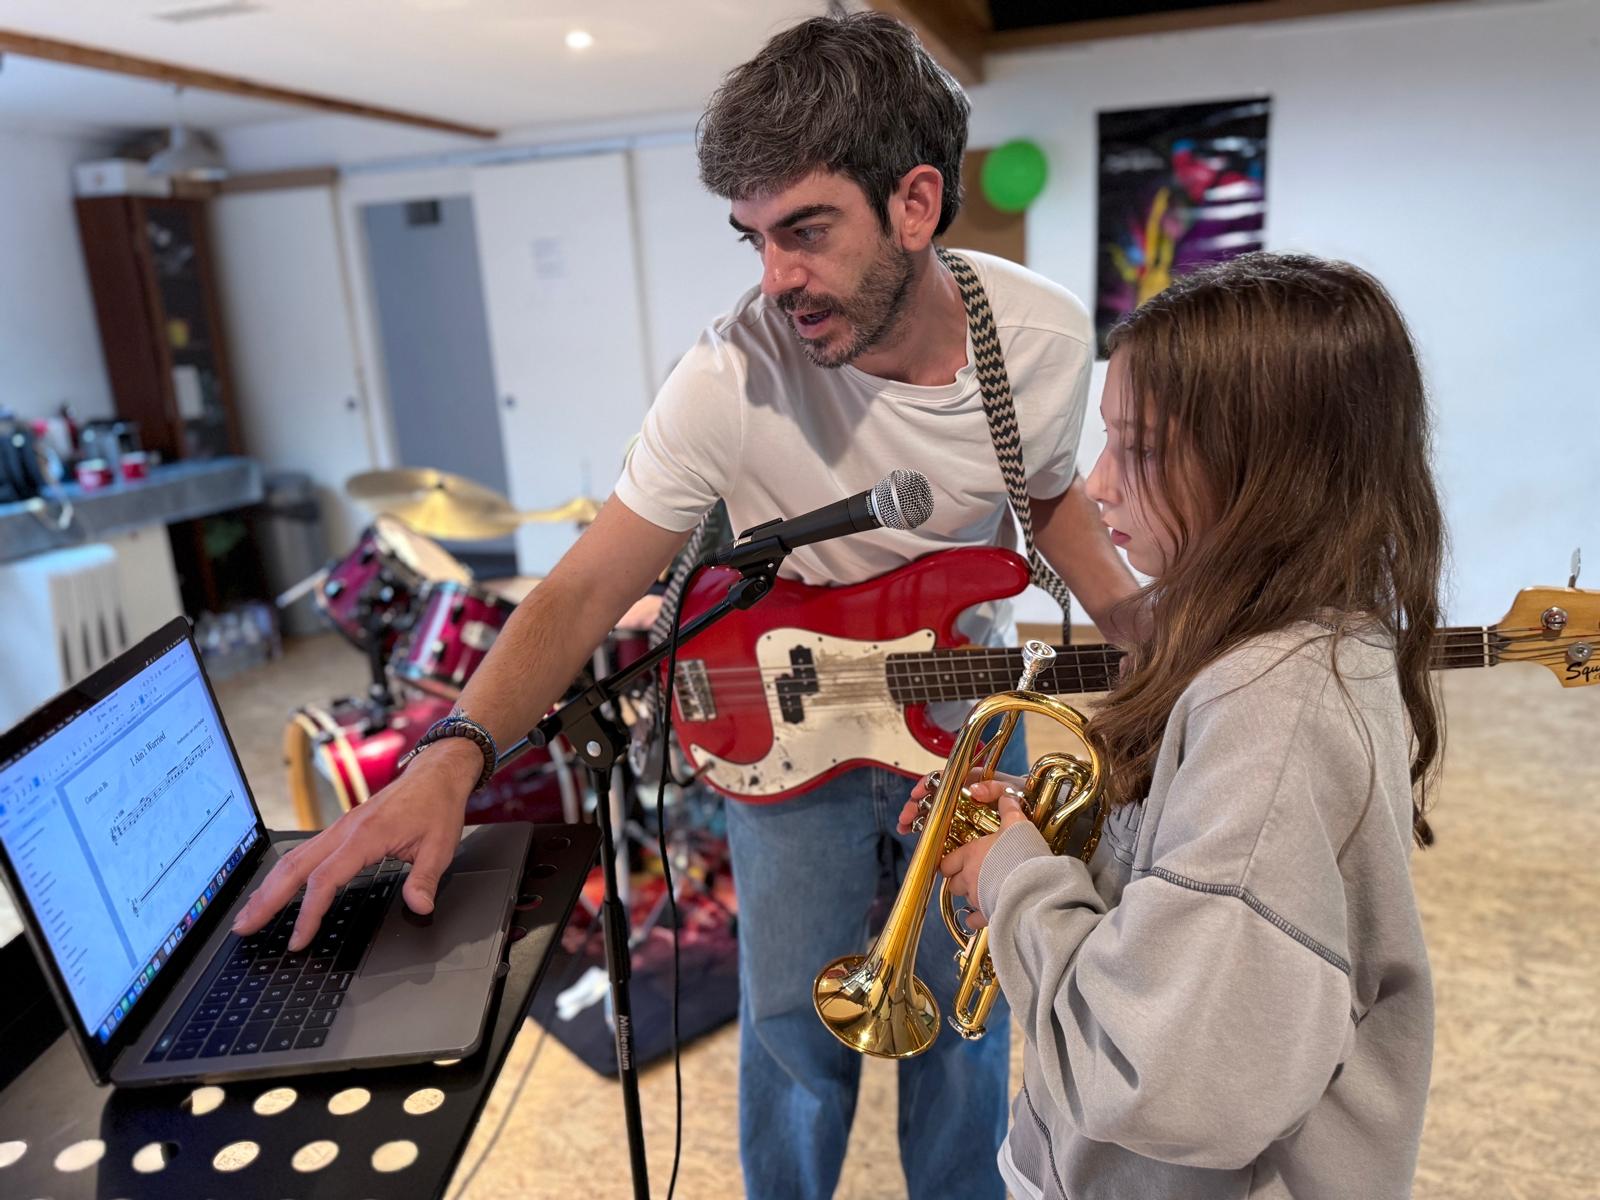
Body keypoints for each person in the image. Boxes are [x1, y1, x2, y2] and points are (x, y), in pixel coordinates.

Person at [234, 12, 1137, 1198]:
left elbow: (1049, 496)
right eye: (753, 238)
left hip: (961, 711)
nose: (775, 278)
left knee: (966, 1016)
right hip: (784, 724)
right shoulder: (728, 377)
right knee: (792, 1029)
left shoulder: (1043, 338)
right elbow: (582, 585)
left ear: (915, 204)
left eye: (805, 231)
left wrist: (1142, 635)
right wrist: (448, 754)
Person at [902, 252, 1442, 1199]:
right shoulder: (1264, 652)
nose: (1097, 485)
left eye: (1140, 449)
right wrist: (1055, 832)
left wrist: (1013, 879)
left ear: (1270, 468)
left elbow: (1155, 1074)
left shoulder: (1272, 714)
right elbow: (1199, 891)